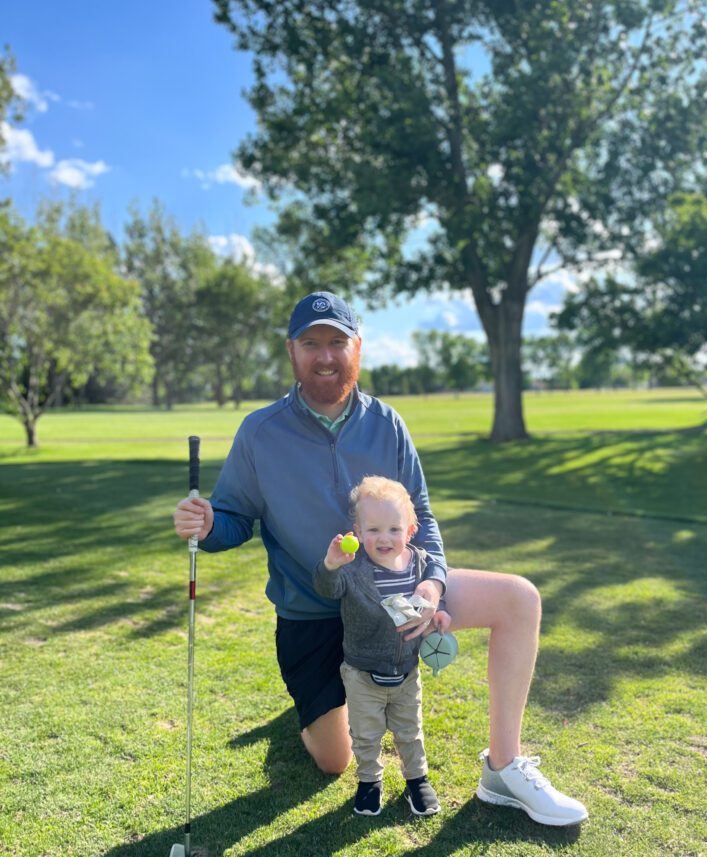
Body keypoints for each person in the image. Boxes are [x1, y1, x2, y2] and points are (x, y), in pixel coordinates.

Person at [173, 290, 588, 827]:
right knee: (333, 761)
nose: (326, 356)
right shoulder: (260, 431)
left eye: (337, 343)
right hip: (315, 611)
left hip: (398, 594)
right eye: (311, 343)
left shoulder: (387, 423)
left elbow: (425, 520)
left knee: (519, 598)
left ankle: (503, 768)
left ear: (358, 348)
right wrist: (206, 526)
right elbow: (233, 519)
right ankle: (313, 710)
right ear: (292, 352)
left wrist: (433, 584)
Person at [314, 475, 450, 817]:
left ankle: (417, 780)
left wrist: (439, 615)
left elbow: (427, 601)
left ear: (409, 530)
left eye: (393, 529)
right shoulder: (352, 568)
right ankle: (369, 781)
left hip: (406, 670)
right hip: (362, 672)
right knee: (366, 733)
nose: (384, 538)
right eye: (373, 530)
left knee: (410, 731)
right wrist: (331, 564)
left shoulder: (419, 564)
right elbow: (327, 588)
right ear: (357, 533)